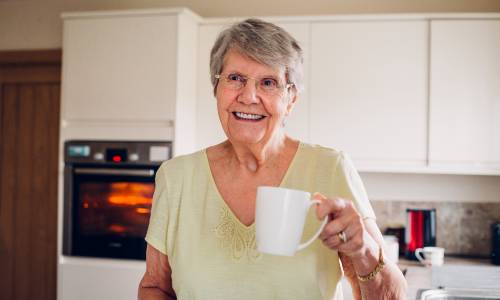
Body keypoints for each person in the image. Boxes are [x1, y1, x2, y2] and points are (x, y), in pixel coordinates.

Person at [138, 18, 407, 300]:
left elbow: (394, 296)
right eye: (235, 78)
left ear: (291, 99)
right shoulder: (177, 177)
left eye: (268, 82)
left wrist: (363, 248)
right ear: (216, 89)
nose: (249, 96)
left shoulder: (330, 168)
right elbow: (155, 287)